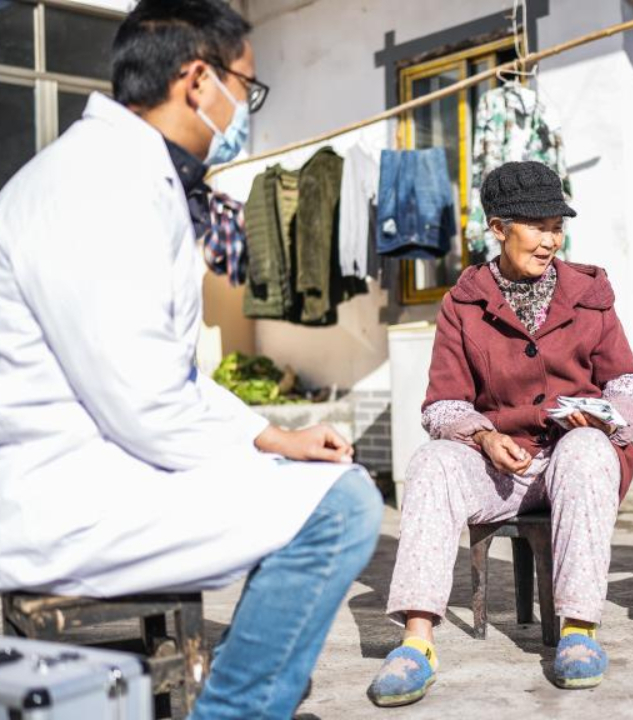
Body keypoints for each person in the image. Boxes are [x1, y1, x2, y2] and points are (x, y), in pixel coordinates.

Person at [0, 1, 382, 717]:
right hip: (63, 498)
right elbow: (146, 404)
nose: (246, 108)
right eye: (248, 87)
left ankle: (239, 686)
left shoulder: (131, 176)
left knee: (305, 483)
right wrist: (267, 464)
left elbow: (159, 376)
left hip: (97, 468)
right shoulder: (100, 188)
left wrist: (273, 438)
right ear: (199, 80)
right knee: (341, 507)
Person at [368, 161, 633, 706]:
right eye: (537, 226)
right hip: (501, 465)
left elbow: (628, 381)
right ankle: (415, 642)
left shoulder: (589, 293)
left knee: (589, 449)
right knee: (431, 461)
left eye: (556, 227)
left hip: (574, 459)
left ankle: (578, 632)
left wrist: (610, 416)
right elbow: (443, 403)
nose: (550, 240)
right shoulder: (463, 303)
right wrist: (482, 437)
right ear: (498, 228)